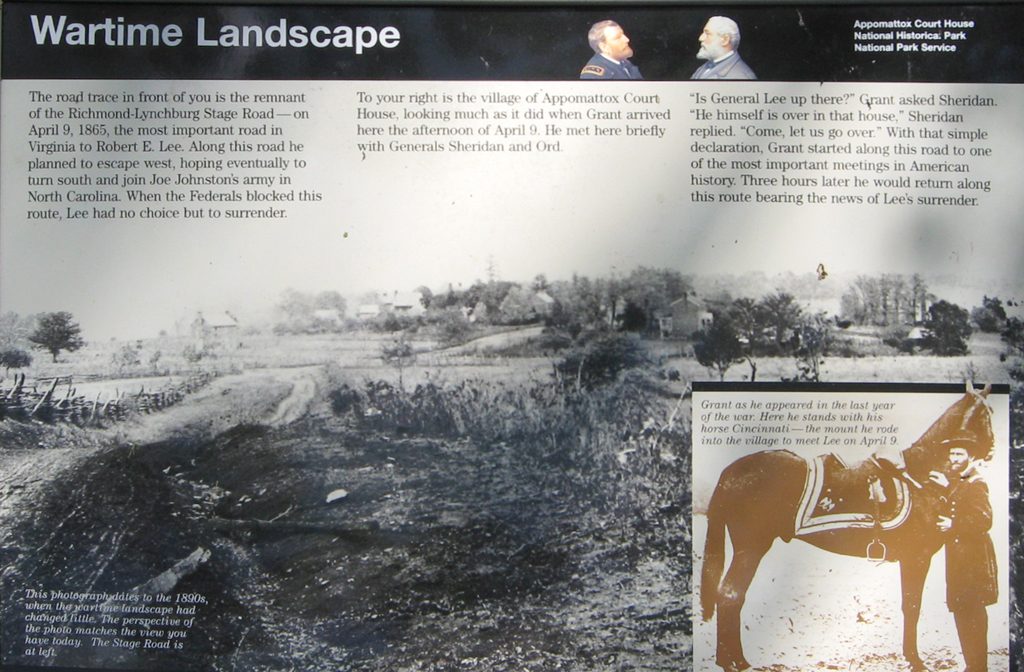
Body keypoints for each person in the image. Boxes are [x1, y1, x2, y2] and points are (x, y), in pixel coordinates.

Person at [928, 435, 998, 672]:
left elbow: (984, 520)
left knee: (973, 612)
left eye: (959, 454)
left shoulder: (977, 482)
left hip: (973, 560)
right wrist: (947, 486)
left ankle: (978, 666)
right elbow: (959, 497)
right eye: (952, 453)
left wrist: (953, 524)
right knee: (962, 610)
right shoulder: (961, 480)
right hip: (960, 559)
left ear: (970, 456)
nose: (954, 458)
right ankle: (972, 665)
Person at [691, 16, 756, 80]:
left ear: (725, 40)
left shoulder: (742, 77)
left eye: (707, 34)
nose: (701, 38)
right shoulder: (705, 67)